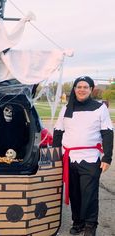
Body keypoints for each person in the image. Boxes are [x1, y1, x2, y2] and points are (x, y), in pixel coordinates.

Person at [53, 76, 113, 236]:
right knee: (75, 193)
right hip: (69, 158)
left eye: (85, 87)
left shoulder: (100, 108)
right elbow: (58, 131)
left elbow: (107, 132)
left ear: (91, 89)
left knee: (89, 194)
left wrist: (107, 157)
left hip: (91, 158)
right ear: (74, 89)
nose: (82, 89)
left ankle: (90, 225)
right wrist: (55, 154)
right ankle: (78, 222)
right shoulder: (66, 109)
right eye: (78, 86)